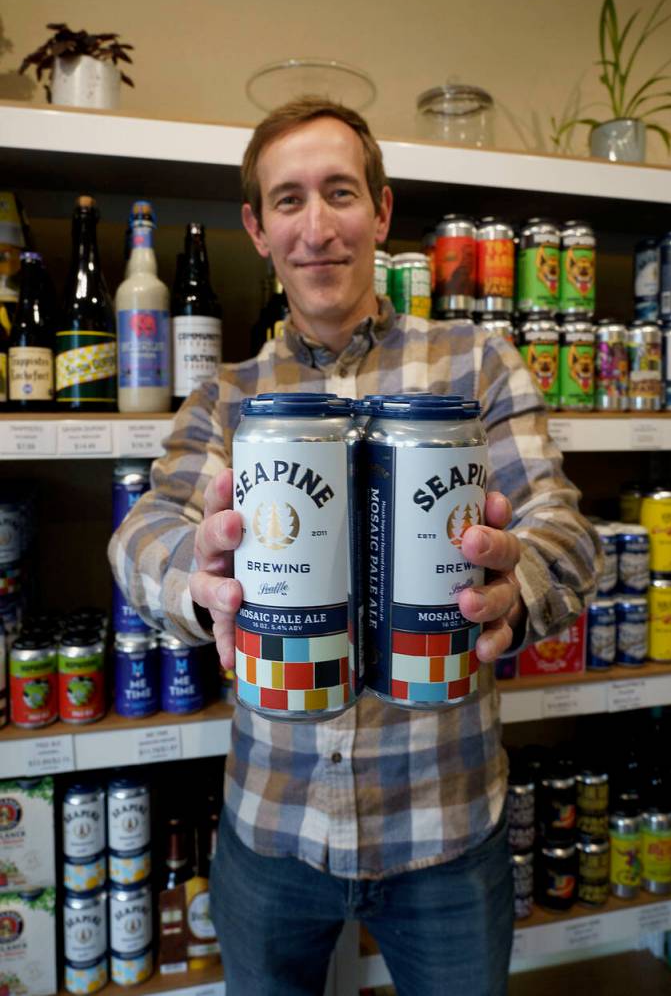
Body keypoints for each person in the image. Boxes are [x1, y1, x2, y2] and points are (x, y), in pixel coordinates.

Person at [109, 96, 601, 996]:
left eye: (340, 192)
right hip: (273, 826)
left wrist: (516, 582)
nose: (317, 227)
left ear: (381, 210)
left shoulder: (477, 361)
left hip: (444, 826)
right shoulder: (228, 396)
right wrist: (196, 579)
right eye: (288, 200)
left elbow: (563, 529)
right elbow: (140, 534)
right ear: (257, 229)